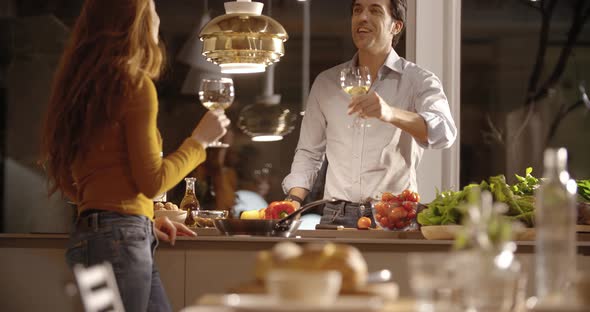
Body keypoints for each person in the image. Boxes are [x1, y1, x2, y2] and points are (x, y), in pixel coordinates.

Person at [39, 0, 230, 311]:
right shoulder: (134, 85)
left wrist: (139, 218)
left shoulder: (82, 90)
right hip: (120, 243)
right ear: (137, 23)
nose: (157, 19)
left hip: (91, 239)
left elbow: (75, 185)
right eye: (152, 10)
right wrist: (199, 142)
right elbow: (153, 183)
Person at [282, 0, 457, 228]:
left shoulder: (418, 80)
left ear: (396, 26)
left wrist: (390, 113)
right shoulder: (326, 82)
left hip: (395, 214)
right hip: (335, 216)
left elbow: (444, 132)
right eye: (357, 10)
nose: (362, 17)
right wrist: (292, 201)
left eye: (374, 10)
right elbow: (309, 153)